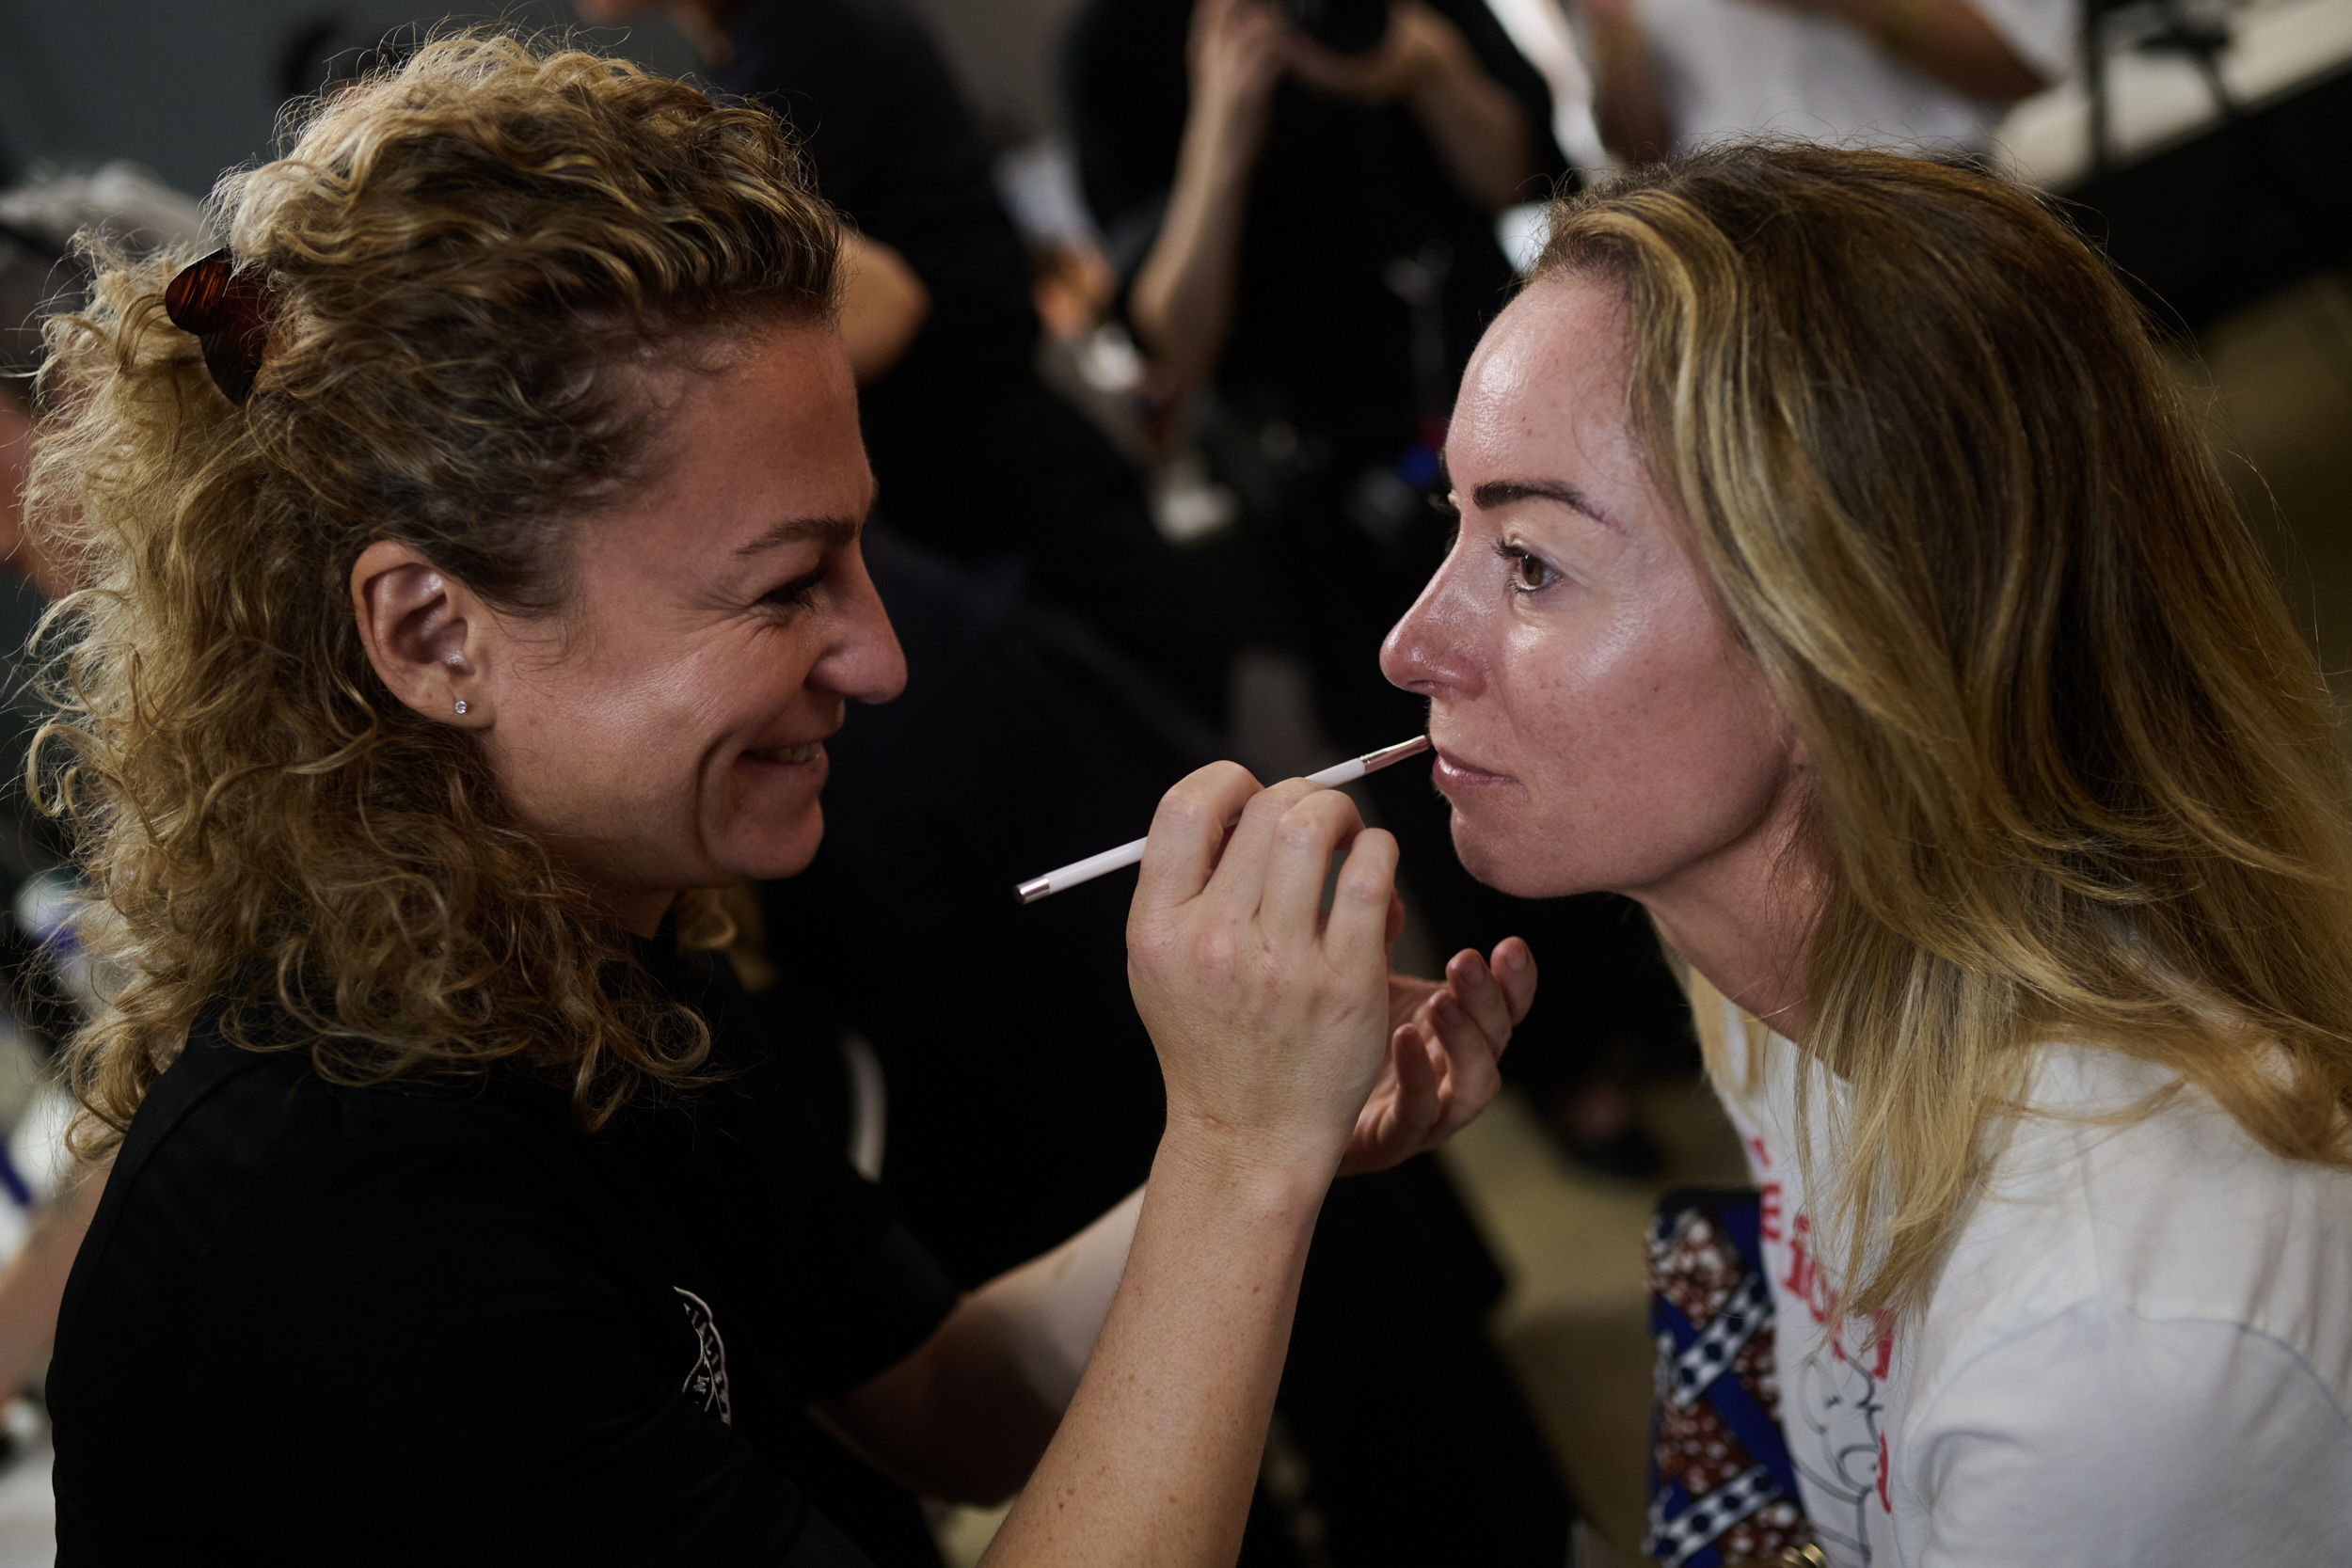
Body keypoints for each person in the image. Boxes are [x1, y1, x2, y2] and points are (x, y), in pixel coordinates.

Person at [29, 36, 1534, 1564]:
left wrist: (1275, 1141)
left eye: (858, 556)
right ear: (432, 632)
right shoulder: (351, 1224)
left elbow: (945, 1395)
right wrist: (1236, 1158)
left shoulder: (579, 957)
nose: (878, 658)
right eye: (782, 586)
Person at [1381, 141, 2352, 1562]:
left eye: (1530, 561)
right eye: (1455, 525)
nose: (1410, 644)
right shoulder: (1773, 948)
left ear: (1835, 639)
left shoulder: (2114, 1360)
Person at [1572, 0, 2070, 163]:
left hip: (1920, 190)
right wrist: (1615, 40)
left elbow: (2027, 63)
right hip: (1728, 227)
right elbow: (1636, 149)